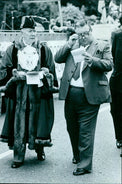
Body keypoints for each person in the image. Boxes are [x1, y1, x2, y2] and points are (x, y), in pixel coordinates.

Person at [0, 16, 58, 168]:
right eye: (30, 30)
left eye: (34, 31)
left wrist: (46, 73)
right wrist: (15, 73)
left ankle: (39, 149)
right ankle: (18, 155)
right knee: (18, 124)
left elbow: (51, 68)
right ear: (22, 31)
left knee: (39, 122)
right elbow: (4, 69)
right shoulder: (13, 48)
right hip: (19, 94)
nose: (33, 34)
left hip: (38, 92)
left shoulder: (43, 49)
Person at [55, 20, 112, 175]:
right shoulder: (73, 44)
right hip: (71, 94)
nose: (83, 37)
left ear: (91, 31)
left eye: (85, 33)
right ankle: (78, 156)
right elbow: (57, 59)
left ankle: (85, 164)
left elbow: (109, 64)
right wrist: (68, 44)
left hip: (90, 95)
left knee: (85, 131)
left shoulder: (101, 45)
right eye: (80, 34)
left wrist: (92, 61)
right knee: (72, 128)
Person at [109, 17, 122, 149]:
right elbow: (113, 56)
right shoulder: (117, 36)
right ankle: (119, 137)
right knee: (115, 110)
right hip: (117, 79)